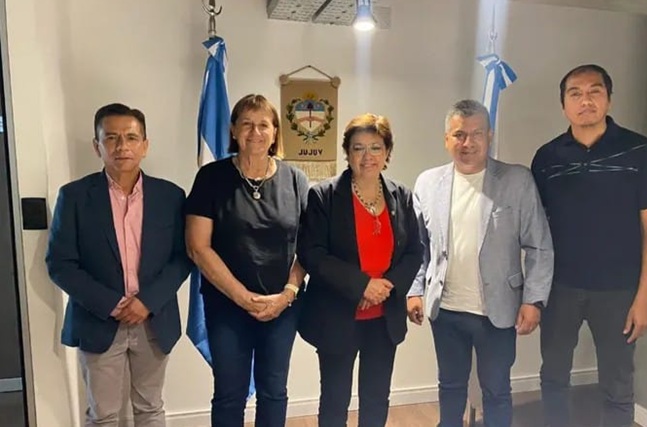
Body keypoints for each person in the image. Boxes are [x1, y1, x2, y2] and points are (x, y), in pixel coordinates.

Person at [533, 64, 647, 427]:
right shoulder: (547, 158)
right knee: (553, 378)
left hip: (619, 291)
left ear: (609, 99)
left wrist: (644, 299)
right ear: (563, 104)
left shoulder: (640, 151)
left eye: (594, 91)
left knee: (618, 384)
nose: (586, 101)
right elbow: (536, 232)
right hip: (560, 288)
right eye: (575, 94)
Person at [407, 99, 553, 427]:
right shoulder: (428, 183)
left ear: (489, 136)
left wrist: (533, 299)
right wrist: (414, 290)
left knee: (496, 390)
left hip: (497, 311)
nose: (467, 143)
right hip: (446, 310)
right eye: (459, 134)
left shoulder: (517, 180)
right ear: (446, 139)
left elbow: (539, 245)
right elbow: (418, 247)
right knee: (450, 387)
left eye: (476, 134)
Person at [46, 103, 191, 426]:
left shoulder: (170, 196)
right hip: (98, 320)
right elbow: (60, 263)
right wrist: (111, 304)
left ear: (145, 145)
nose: (122, 146)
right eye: (111, 138)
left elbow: (182, 257)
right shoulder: (74, 197)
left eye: (131, 137)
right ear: (97, 146)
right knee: (103, 415)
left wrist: (147, 301)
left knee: (150, 408)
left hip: (153, 319)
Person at [184, 94, 308, 427]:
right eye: (247, 124)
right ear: (234, 130)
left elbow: (309, 247)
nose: (256, 133)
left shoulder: (295, 180)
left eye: (264, 125)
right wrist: (243, 298)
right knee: (229, 394)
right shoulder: (211, 177)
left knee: (274, 392)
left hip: (282, 307)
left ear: (275, 131)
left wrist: (287, 295)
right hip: (227, 306)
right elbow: (198, 247)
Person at [298, 113, 422, 427]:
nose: (368, 156)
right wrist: (362, 286)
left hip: (384, 318)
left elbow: (414, 251)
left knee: (376, 399)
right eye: (358, 148)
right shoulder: (324, 196)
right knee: (334, 400)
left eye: (376, 147)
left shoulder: (402, 195)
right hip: (337, 316)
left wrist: (385, 287)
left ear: (387, 152)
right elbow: (312, 254)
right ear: (347, 152)